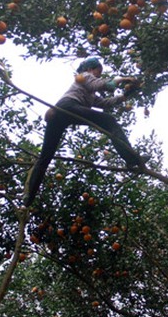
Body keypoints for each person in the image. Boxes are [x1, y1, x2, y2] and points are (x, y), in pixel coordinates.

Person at [22, 57, 146, 207]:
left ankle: (28, 198)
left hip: (61, 115)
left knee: (45, 157)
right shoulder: (85, 77)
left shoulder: (89, 92)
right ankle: (130, 158)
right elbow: (105, 85)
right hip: (68, 106)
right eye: (97, 72)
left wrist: (126, 95)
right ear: (89, 69)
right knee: (110, 121)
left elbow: (105, 103)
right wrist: (122, 79)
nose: (98, 75)